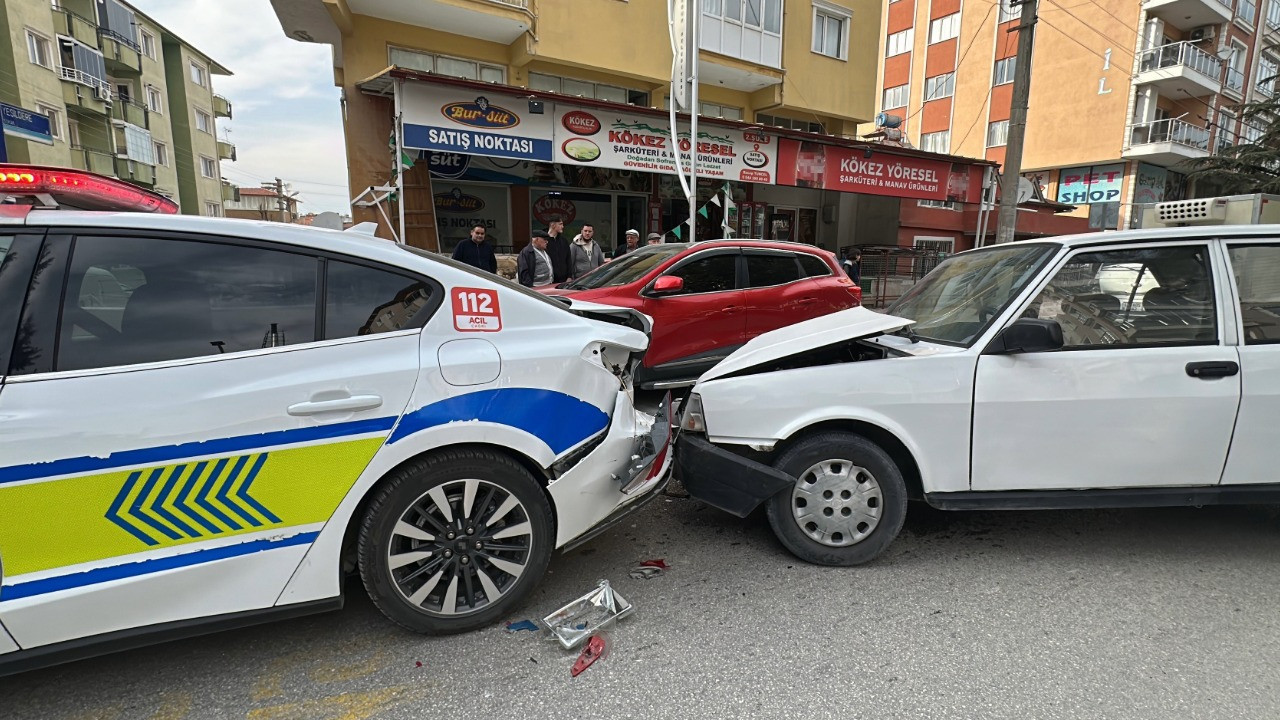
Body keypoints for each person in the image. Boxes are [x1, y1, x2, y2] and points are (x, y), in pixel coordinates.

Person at [545, 216, 573, 284]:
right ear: (553, 225)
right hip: (549, 281)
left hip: (564, 281)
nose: (562, 226)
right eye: (560, 224)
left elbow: (568, 259)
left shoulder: (564, 241)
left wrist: (569, 276)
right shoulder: (544, 241)